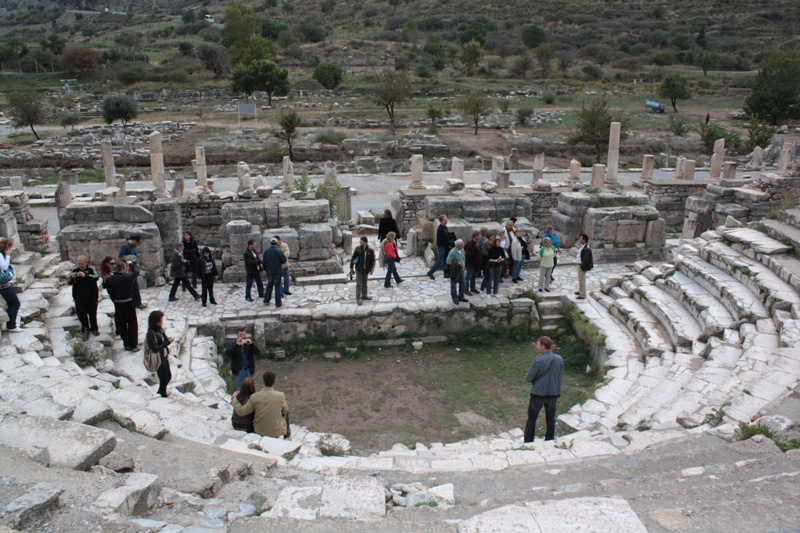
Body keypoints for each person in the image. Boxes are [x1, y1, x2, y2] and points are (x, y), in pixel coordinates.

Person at [524, 336, 564, 443]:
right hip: (553, 394)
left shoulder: (538, 360)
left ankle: (528, 442)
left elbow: (529, 378)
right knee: (550, 419)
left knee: (531, 419)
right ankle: (549, 440)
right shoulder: (559, 359)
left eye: (538, 345)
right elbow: (560, 375)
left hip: (538, 394)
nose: (537, 347)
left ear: (543, 346)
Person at [231, 371, 289, 439]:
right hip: (275, 432)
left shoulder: (255, 396)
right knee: (285, 413)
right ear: (274, 382)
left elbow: (242, 412)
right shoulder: (280, 395)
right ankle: (287, 436)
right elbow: (285, 411)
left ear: (262, 381)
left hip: (259, 430)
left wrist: (234, 399)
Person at [103, 258, 140, 351]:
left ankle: (126, 344)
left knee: (122, 324)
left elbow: (107, 289)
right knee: (132, 324)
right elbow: (136, 273)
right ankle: (133, 344)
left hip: (117, 304)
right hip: (128, 302)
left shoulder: (109, 279)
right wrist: (131, 264)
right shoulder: (125, 278)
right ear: (123, 269)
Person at [68, 255, 100, 337]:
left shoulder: (91, 269)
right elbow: (69, 282)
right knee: (82, 315)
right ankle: (85, 331)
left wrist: (85, 276)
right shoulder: (75, 270)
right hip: (79, 297)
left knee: (92, 314)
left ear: (86, 262)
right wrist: (72, 278)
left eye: (81, 263)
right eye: (78, 263)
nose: (80, 265)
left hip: (91, 296)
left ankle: (94, 329)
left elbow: (96, 277)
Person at [146, 310, 174, 398]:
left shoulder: (160, 330)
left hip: (164, 357)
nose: (162, 322)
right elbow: (155, 348)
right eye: (160, 320)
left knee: (168, 376)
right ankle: (162, 394)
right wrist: (167, 343)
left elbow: (164, 339)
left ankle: (161, 392)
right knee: (164, 378)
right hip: (159, 358)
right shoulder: (151, 333)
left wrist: (168, 340)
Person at [225, 327, 259, 391]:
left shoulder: (248, 344)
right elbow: (228, 353)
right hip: (238, 372)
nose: (242, 336)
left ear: (246, 335)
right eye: (240, 335)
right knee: (238, 390)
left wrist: (251, 345)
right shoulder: (233, 344)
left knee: (250, 390)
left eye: (243, 334)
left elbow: (257, 352)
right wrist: (236, 345)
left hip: (248, 370)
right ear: (237, 335)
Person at [118, 235, 145, 310]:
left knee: (135, 285)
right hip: (128, 269)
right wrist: (127, 261)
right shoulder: (125, 246)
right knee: (132, 286)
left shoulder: (134, 247)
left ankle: (137, 302)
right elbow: (120, 257)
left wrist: (136, 263)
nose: (138, 245)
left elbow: (135, 257)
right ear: (135, 241)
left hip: (134, 268)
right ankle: (136, 303)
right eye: (138, 243)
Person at [0, 238, 21, 332]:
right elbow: (4, 267)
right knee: (16, 304)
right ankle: (12, 326)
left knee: (12, 304)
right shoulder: (0, 255)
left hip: (4, 286)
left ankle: (10, 324)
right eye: (8, 249)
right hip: (5, 286)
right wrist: (7, 256)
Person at [350, 236, 376, 305]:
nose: (360, 242)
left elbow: (372, 260)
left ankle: (364, 295)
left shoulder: (370, 250)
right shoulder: (357, 249)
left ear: (365, 242)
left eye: (361, 241)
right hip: (359, 269)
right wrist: (351, 267)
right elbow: (353, 258)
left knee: (364, 283)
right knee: (359, 284)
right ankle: (358, 297)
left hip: (366, 269)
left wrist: (371, 269)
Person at [262, 237, 287, 308]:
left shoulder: (266, 251)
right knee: (277, 287)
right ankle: (278, 303)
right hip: (277, 272)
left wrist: (264, 268)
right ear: (276, 243)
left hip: (269, 271)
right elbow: (284, 260)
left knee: (269, 286)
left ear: (270, 243)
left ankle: (266, 301)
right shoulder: (279, 251)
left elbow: (264, 261)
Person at [426, 215, 449, 280]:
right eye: (445, 220)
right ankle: (430, 272)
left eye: (447, 220)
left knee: (445, 260)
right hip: (442, 247)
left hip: (445, 246)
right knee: (439, 261)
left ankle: (446, 273)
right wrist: (448, 243)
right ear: (441, 221)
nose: (446, 221)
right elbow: (443, 239)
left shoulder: (445, 228)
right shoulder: (440, 229)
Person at [446, 239, 468, 304]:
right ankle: (455, 298)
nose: (464, 244)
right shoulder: (452, 252)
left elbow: (463, 258)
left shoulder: (462, 250)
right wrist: (457, 263)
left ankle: (461, 297)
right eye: (463, 243)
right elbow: (448, 261)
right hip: (455, 271)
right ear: (459, 245)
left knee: (463, 283)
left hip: (461, 270)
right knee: (453, 285)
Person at [575, 233, 593, 300]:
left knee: (582, 280)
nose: (580, 239)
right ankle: (580, 291)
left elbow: (586, 259)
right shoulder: (583, 246)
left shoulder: (587, 249)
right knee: (580, 279)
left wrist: (582, 266)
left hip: (582, 266)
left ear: (584, 240)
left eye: (581, 238)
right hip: (579, 264)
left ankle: (583, 294)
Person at [464, 231, 481, 296]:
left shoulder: (474, 243)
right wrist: (472, 262)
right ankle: (466, 289)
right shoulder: (470, 244)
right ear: (476, 236)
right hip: (471, 264)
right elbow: (468, 255)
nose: (480, 237)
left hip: (475, 264)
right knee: (468, 277)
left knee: (473, 277)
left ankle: (472, 288)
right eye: (479, 235)